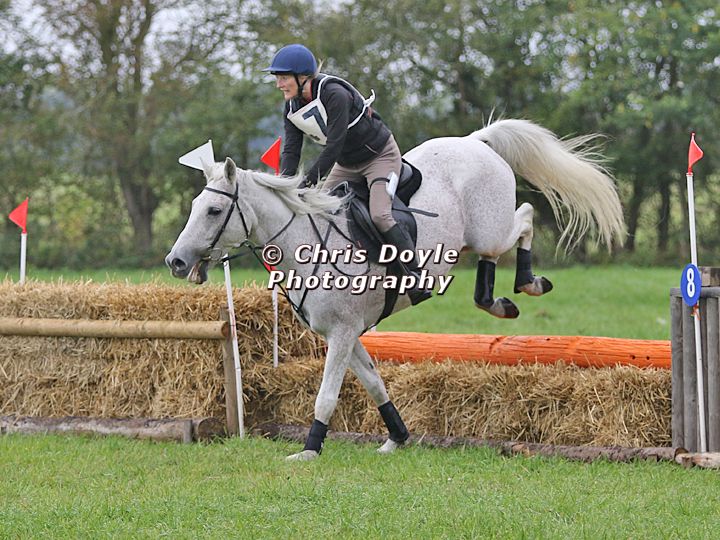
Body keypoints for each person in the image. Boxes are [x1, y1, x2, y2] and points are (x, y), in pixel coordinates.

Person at [263, 43, 430, 304]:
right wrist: (286, 186)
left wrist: (306, 184)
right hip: (346, 164)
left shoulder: (334, 94)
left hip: (379, 157)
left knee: (380, 214)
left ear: (302, 76)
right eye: (277, 78)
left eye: (283, 78)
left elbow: (333, 146)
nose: (278, 84)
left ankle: (415, 276)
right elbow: (291, 150)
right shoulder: (292, 107)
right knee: (318, 212)